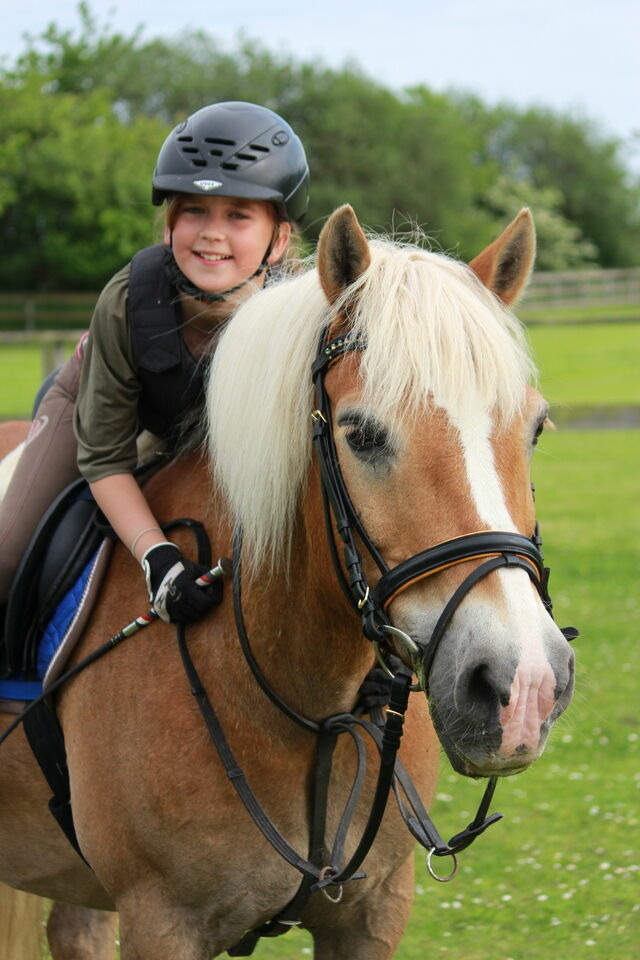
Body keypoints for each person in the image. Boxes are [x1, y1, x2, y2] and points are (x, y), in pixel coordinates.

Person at [0, 101, 309, 637]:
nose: (212, 233)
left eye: (238, 215)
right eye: (193, 211)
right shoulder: (126, 300)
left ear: (278, 239)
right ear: (168, 226)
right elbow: (105, 458)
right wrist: (157, 557)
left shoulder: (304, 316)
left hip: (203, 436)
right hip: (105, 416)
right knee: (5, 558)